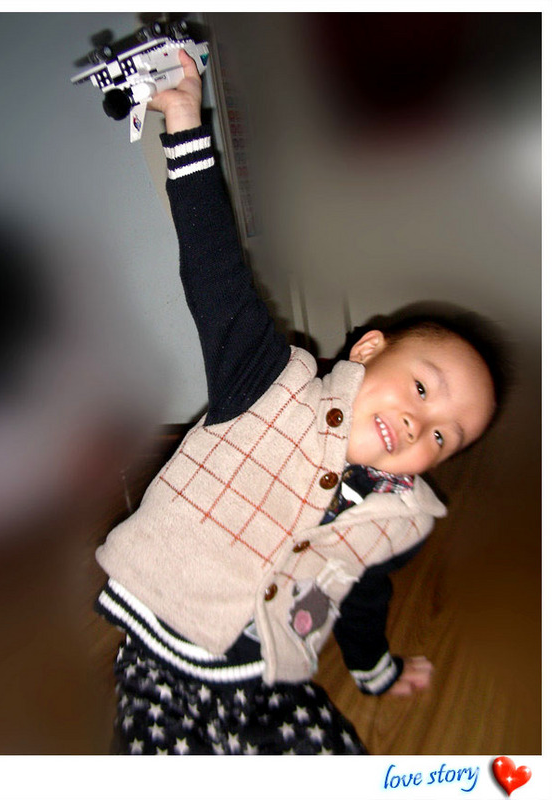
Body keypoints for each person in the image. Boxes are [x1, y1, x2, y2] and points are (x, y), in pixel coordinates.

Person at [95, 51, 503, 755]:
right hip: (163, 653)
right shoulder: (268, 384)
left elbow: (360, 596)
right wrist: (185, 119)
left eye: (445, 437)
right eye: (421, 388)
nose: (422, 424)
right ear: (367, 350)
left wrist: (373, 671)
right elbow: (214, 270)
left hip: (270, 679)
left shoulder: (400, 520)